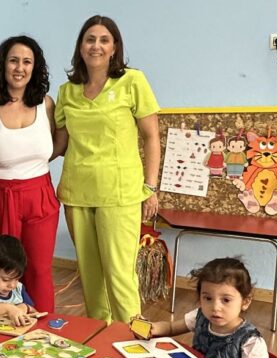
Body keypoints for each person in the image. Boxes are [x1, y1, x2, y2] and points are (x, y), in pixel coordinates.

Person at [53, 15, 161, 323]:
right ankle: (100, 341)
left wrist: (150, 188)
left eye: (103, 40)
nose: (96, 46)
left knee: (120, 275)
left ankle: (133, 344)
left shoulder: (132, 81)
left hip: (120, 192)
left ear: (114, 47)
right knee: (90, 276)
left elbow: (152, 137)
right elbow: (58, 145)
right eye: (90, 39)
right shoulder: (67, 92)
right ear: (80, 46)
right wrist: (12, 153)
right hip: (77, 193)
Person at [0, 35, 60, 314]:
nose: (19, 67)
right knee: (7, 270)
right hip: (2, 195)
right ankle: (6, 326)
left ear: (35, 68)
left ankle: (44, 330)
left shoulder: (46, 104)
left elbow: (57, 145)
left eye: (26, 61)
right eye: (13, 60)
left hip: (41, 194)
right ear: (2, 65)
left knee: (40, 270)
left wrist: (31, 162)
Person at [141, 257, 270, 358]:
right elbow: (171, 328)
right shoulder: (199, 317)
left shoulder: (251, 341)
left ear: (245, 301)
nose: (215, 307)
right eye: (208, 298)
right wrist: (153, 328)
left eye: (226, 300)